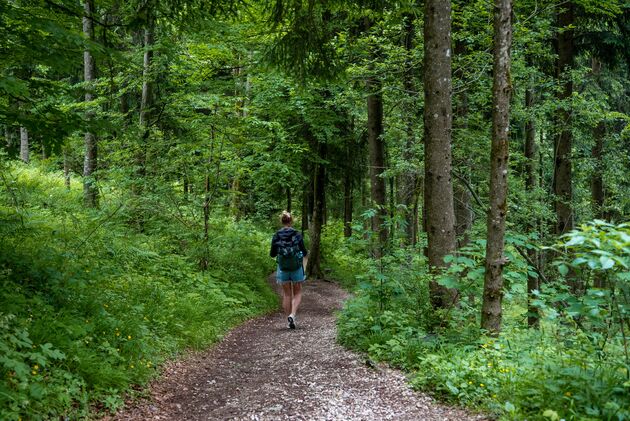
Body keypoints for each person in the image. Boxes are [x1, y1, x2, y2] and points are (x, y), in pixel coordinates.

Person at [270, 211, 308, 329]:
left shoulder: (276, 235)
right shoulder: (297, 234)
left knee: (286, 294)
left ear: (282, 222)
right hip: (296, 267)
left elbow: (272, 254)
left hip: (283, 267)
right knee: (297, 292)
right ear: (291, 222)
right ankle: (293, 314)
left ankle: (288, 320)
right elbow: (304, 251)